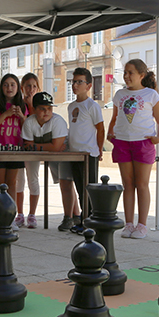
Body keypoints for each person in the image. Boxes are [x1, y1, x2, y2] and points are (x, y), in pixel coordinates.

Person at [107, 58, 159, 240]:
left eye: (130, 72)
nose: (126, 76)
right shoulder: (119, 95)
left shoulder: (151, 95)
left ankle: (142, 225)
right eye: (124, 72)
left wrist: (158, 138)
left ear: (141, 75)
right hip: (123, 142)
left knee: (141, 184)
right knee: (128, 184)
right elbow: (115, 117)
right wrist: (110, 134)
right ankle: (128, 224)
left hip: (143, 143)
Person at [22, 92, 73, 229]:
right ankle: (73, 216)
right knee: (62, 183)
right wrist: (50, 147)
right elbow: (28, 145)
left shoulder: (58, 121)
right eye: (42, 109)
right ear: (34, 109)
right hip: (51, 155)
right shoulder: (29, 122)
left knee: (66, 182)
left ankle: (72, 216)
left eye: (49, 109)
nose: (47, 112)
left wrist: (37, 146)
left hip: (65, 153)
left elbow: (56, 147)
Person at [66, 67, 105, 234]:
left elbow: (100, 128)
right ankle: (83, 219)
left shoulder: (92, 106)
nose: (75, 85)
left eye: (79, 82)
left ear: (88, 85)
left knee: (90, 189)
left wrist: (98, 148)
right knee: (79, 188)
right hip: (74, 154)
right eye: (73, 81)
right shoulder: (71, 106)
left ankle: (91, 222)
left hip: (89, 153)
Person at [0, 73, 27, 230]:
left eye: (12, 84)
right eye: (6, 85)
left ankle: (11, 216)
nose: (9, 88)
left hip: (16, 149)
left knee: (12, 183)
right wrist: (6, 114)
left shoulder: (23, 105)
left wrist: (21, 116)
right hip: (0, 148)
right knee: (0, 183)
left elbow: (28, 127)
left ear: (18, 87)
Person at [18, 73, 43, 228]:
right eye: (28, 86)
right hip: (19, 146)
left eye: (34, 86)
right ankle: (19, 213)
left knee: (33, 179)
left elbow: (37, 125)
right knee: (18, 181)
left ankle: (32, 214)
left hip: (33, 147)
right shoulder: (19, 104)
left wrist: (32, 107)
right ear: (22, 88)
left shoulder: (39, 106)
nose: (31, 89)